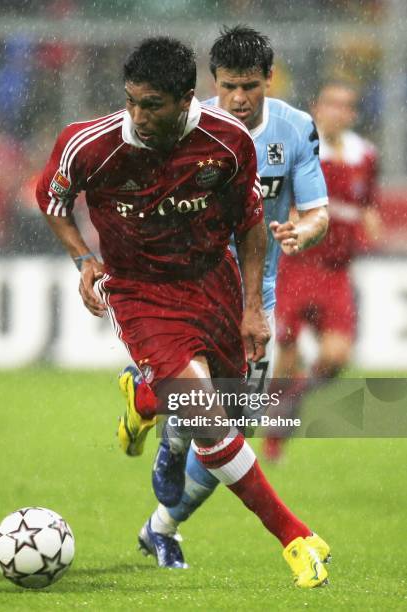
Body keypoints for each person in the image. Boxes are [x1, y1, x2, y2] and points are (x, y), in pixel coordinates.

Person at [37, 36, 329, 587]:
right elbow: (51, 201)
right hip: (142, 293)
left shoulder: (227, 142)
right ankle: (296, 537)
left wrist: (251, 309)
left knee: (229, 406)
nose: (139, 116)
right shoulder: (90, 145)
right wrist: (83, 258)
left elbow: (248, 223)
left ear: (186, 100)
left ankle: (144, 394)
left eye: (152, 105)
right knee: (207, 421)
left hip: (213, 282)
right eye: (132, 101)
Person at [116, 26, 330, 571]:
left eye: (251, 86)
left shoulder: (296, 128)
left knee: (234, 427)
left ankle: (159, 520)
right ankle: (167, 426)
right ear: (213, 83)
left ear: (268, 80)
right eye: (230, 85)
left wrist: (303, 233)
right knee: (209, 414)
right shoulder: (184, 126)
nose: (239, 98)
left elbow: (317, 211)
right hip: (193, 291)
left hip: (255, 296)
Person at [263, 80, 380, 461]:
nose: (338, 112)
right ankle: (275, 432)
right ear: (317, 108)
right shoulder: (300, 148)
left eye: (346, 105)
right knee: (287, 351)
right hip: (296, 265)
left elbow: (366, 204)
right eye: (331, 104)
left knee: (336, 356)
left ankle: (290, 400)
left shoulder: (366, 156)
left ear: (353, 114)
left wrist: (371, 221)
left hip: (335, 272)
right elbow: (278, 198)